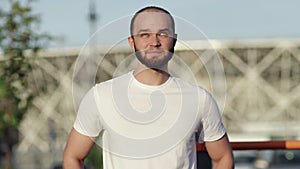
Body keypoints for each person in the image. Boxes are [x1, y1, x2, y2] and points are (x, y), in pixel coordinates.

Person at [63, 6, 234, 169]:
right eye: (145, 35)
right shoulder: (101, 96)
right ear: (132, 42)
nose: (154, 42)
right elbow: (73, 157)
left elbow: (223, 158)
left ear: (174, 40)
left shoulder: (199, 99)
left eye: (163, 34)